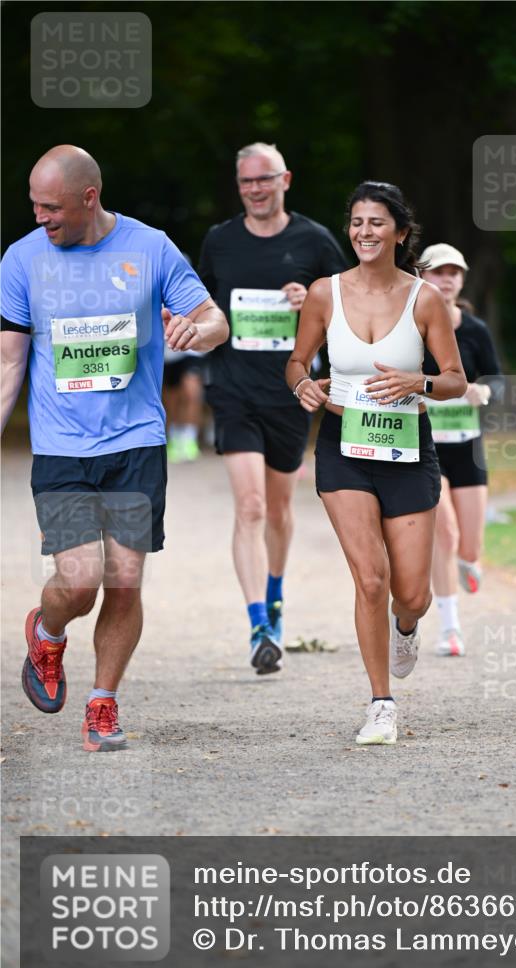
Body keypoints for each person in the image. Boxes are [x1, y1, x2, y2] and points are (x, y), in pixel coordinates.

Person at [0, 145, 228, 751]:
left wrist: (193, 329)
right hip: (62, 447)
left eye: (51, 207)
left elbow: (215, 322)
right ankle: (47, 634)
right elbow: (8, 361)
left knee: (124, 582)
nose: (40, 217)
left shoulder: (149, 248)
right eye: (34, 205)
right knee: (78, 582)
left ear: (89, 197)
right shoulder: (22, 260)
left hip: (135, 445)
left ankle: (103, 703)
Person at [286, 182, 466, 745]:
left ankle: (406, 627)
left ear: (400, 233)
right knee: (371, 579)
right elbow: (297, 362)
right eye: (357, 222)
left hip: (408, 448)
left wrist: (422, 381)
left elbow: (457, 380)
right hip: (344, 444)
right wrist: (303, 388)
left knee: (410, 593)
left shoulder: (425, 299)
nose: (365, 232)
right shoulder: (324, 293)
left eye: (377, 223)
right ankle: (381, 703)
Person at [198, 141, 347, 674]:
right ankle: (259, 623)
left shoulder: (314, 240)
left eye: (264, 180)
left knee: (279, 511)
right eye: (246, 182)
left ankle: (276, 597)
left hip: (288, 392)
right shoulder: (220, 241)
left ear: (286, 179)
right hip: (233, 390)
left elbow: (349, 306)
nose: (255, 190)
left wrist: (313, 301)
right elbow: (203, 305)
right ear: (238, 186)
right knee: (251, 508)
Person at [419, 244, 504, 657]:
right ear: (422, 277)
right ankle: (450, 629)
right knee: (445, 534)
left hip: (467, 448)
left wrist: (483, 391)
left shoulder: (474, 330)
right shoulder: (411, 327)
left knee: (469, 547)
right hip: (425, 446)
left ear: (462, 280)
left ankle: (470, 562)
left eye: (454, 272)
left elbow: (498, 382)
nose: (447, 278)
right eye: (438, 272)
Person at [163, 344, 205, 463]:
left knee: (192, 393)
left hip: (192, 349)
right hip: (168, 352)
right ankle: (174, 438)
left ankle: (190, 439)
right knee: (172, 399)